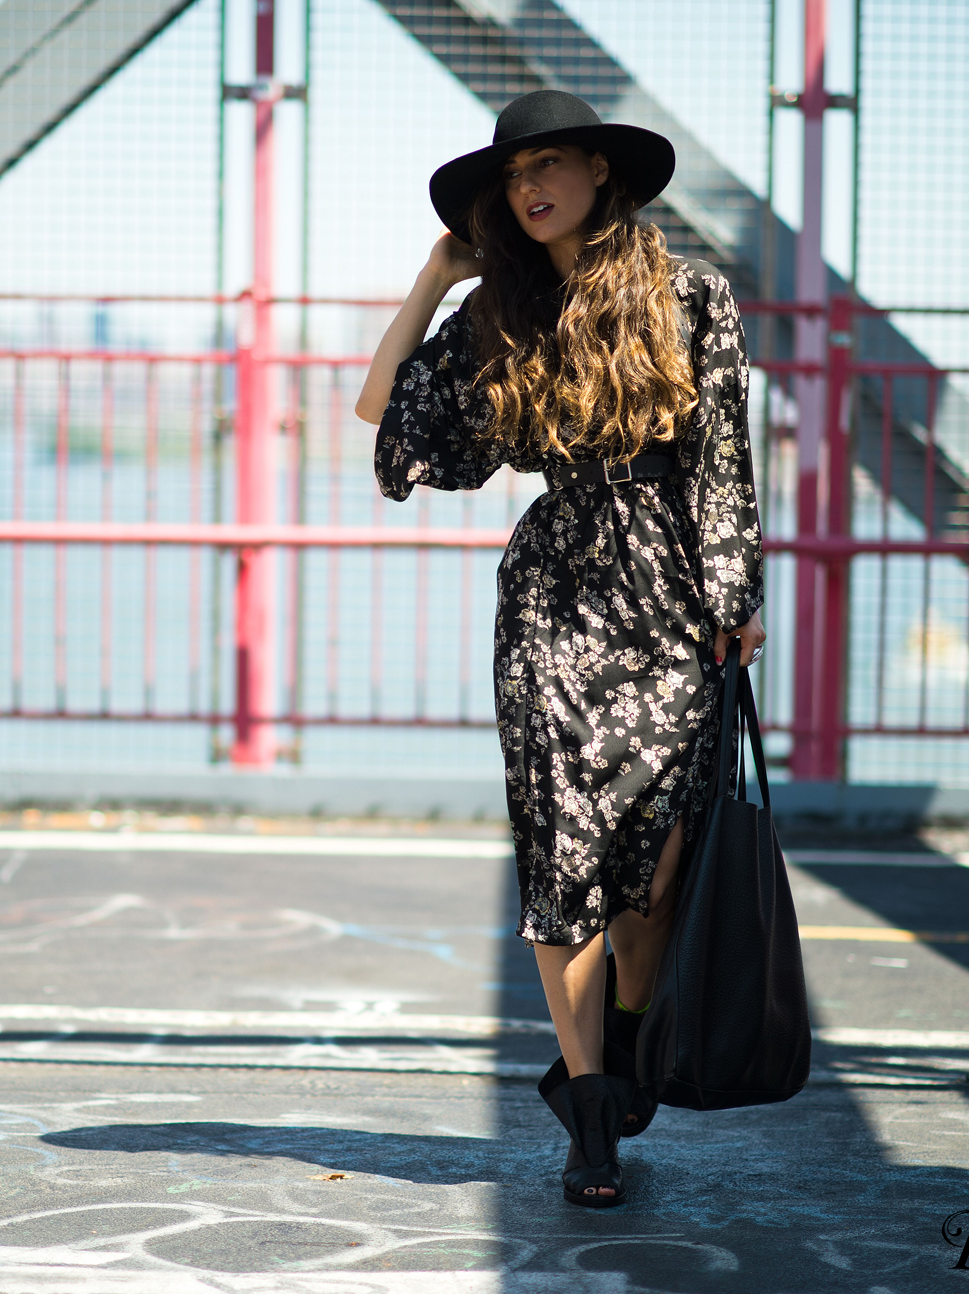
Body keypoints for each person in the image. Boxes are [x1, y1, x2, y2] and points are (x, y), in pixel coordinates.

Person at [355, 90, 767, 1209]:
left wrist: (736, 594)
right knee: (562, 857)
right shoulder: (503, 308)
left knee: (659, 865)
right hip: (553, 596)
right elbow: (383, 423)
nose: (527, 189)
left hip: (671, 599)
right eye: (511, 176)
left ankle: (627, 1039)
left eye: (547, 165)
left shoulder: (692, 297)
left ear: (599, 172)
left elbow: (722, 455)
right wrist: (435, 282)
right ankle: (592, 1116)